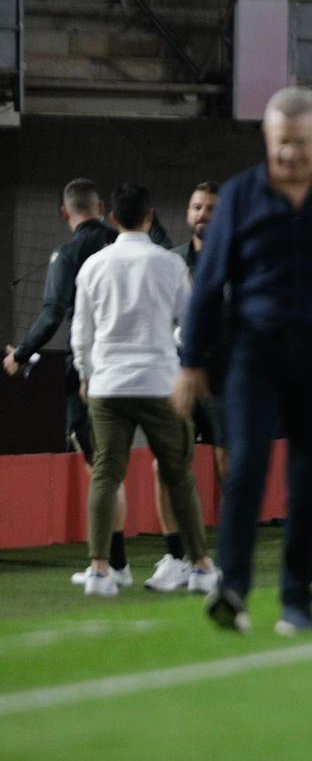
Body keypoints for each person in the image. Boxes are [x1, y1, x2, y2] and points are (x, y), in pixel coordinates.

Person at [178, 87, 312, 635]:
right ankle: (232, 585)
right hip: (251, 351)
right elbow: (209, 283)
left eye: (299, 144)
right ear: (266, 139)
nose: (289, 155)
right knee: (247, 466)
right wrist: (191, 361)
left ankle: (297, 601)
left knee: (305, 477)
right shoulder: (240, 197)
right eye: (280, 144)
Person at [72, 184, 217, 598]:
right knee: (178, 475)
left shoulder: (93, 265)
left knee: (106, 474)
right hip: (160, 384)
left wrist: (86, 373)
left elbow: (81, 332)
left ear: (112, 218)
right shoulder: (169, 264)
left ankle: (101, 571)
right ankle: (202, 566)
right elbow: (192, 326)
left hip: (108, 384)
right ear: (150, 216)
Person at [6, 180, 134, 584]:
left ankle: (111, 565)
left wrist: (20, 355)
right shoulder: (128, 244)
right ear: (101, 207)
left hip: (94, 370)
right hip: (141, 365)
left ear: (64, 213)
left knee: (101, 466)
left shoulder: (68, 253)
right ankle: (174, 558)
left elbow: (51, 314)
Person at [156, 180, 225, 585]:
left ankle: (231, 551)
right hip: (177, 376)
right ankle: (175, 556)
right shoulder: (170, 262)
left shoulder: (237, 261)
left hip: (223, 378)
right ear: (188, 213)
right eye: (198, 207)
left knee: (227, 466)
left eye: (212, 208)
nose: (204, 215)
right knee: (165, 463)